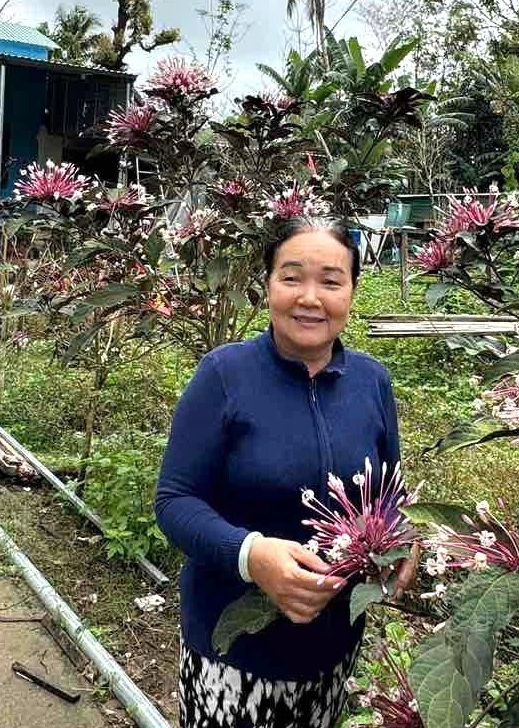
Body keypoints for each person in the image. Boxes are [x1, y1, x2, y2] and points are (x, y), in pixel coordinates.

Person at [155, 217, 416, 728]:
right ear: (268, 284)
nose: (310, 298)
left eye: (331, 280)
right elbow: (175, 501)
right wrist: (252, 556)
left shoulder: (371, 382)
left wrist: (401, 537)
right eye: (292, 277)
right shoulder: (224, 375)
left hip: (334, 649)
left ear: (353, 291)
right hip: (233, 655)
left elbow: (388, 493)